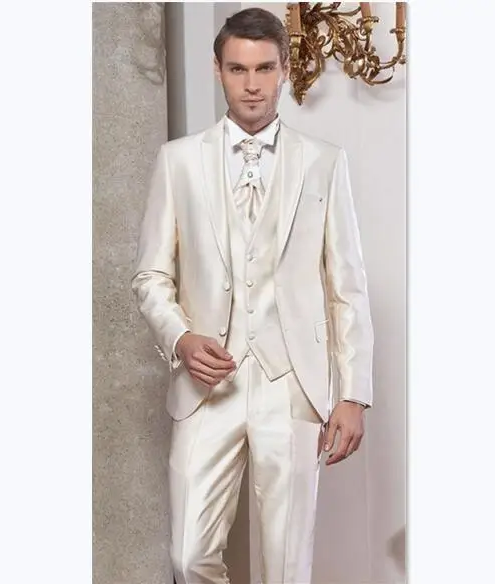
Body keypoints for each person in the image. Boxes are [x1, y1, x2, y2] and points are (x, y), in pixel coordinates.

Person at [132, 7, 374, 584]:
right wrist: (181, 338)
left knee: (287, 566)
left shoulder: (324, 162)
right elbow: (151, 277)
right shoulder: (178, 161)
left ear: (285, 68)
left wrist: (353, 394)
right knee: (188, 556)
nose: (252, 84)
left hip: (291, 385)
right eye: (238, 69)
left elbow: (347, 286)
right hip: (206, 388)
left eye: (265, 68)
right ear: (217, 69)